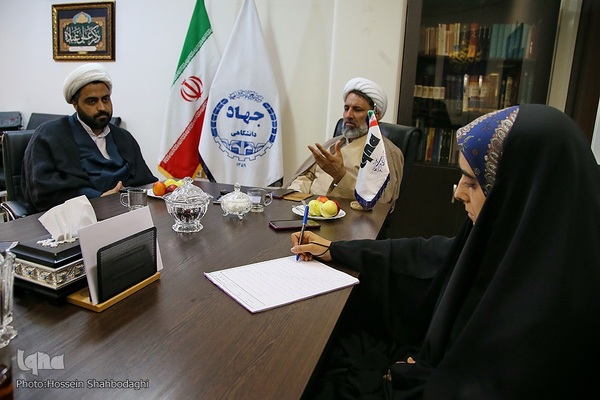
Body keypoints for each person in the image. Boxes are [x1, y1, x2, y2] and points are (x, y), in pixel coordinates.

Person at [291, 104, 600, 399]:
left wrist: (420, 377)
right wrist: (338, 250)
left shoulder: (560, 309)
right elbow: (429, 256)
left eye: (474, 183)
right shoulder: (512, 238)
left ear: (520, 191)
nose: (459, 193)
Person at [22, 63, 157, 212]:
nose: (101, 107)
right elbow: (42, 190)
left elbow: (145, 183)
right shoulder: (48, 135)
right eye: (92, 101)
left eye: (105, 99)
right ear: (75, 104)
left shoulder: (123, 137)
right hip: (74, 218)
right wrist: (98, 198)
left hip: (125, 212)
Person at [286, 77, 404, 208]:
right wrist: (294, 195)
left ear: (374, 116)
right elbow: (308, 176)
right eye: (346, 108)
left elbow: (381, 203)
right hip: (307, 209)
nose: (348, 115)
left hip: (345, 217)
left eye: (357, 109)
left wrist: (340, 176)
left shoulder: (385, 152)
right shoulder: (334, 143)